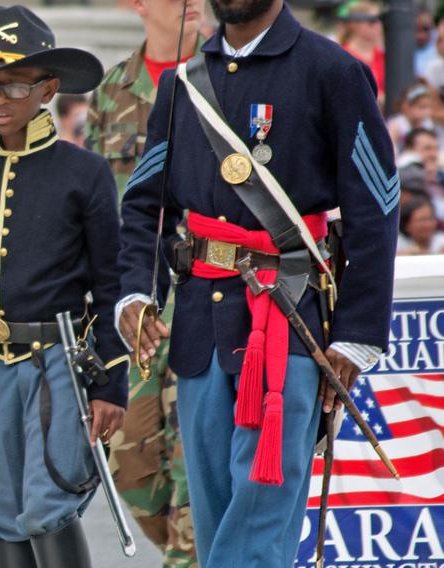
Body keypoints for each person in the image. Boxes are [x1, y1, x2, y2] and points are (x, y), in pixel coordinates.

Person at [117, 0, 398, 566]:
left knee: (262, 509)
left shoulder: (334, 71)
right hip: (200, 324)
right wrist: (138, 292)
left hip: (291, 317)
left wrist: (355, 334)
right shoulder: (183, 84)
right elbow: (145, 204)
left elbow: (376, 208)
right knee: (216, 512)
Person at [0, 6, 128, 567]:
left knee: (46, 507)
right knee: (4, 512)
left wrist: (112, 384)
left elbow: (111, 283)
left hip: (60, 356)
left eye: (13, 83)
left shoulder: (84, 173)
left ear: (48, 89)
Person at [84, 0, 203, 564]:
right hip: (135, 303)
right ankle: (184, 549)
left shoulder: (218, 75)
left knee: (193, 459)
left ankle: (190, 555)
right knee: (131, 466)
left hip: (206, 290)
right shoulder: (114, 88)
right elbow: (96, 201)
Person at [337, 1, 385, 101]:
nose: (378, 25)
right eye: (372, 21)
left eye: (380, 20)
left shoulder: (383, 56)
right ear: (354, 24)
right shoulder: (341, 55)